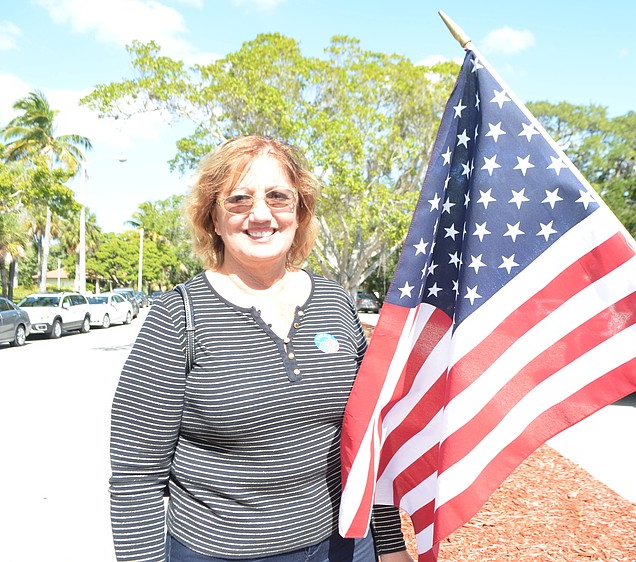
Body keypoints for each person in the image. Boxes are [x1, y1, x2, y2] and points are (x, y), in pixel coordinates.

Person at [109, 135, 413, 562]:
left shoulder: (336, 303)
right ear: (212, 218)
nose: (260, 214)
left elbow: (369, 441)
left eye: (277, 197)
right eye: (238, 200)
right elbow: (135, 478)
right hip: (223, 552)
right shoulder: (178, 317)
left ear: (299, 212)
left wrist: (390, 544)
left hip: (348, 546)